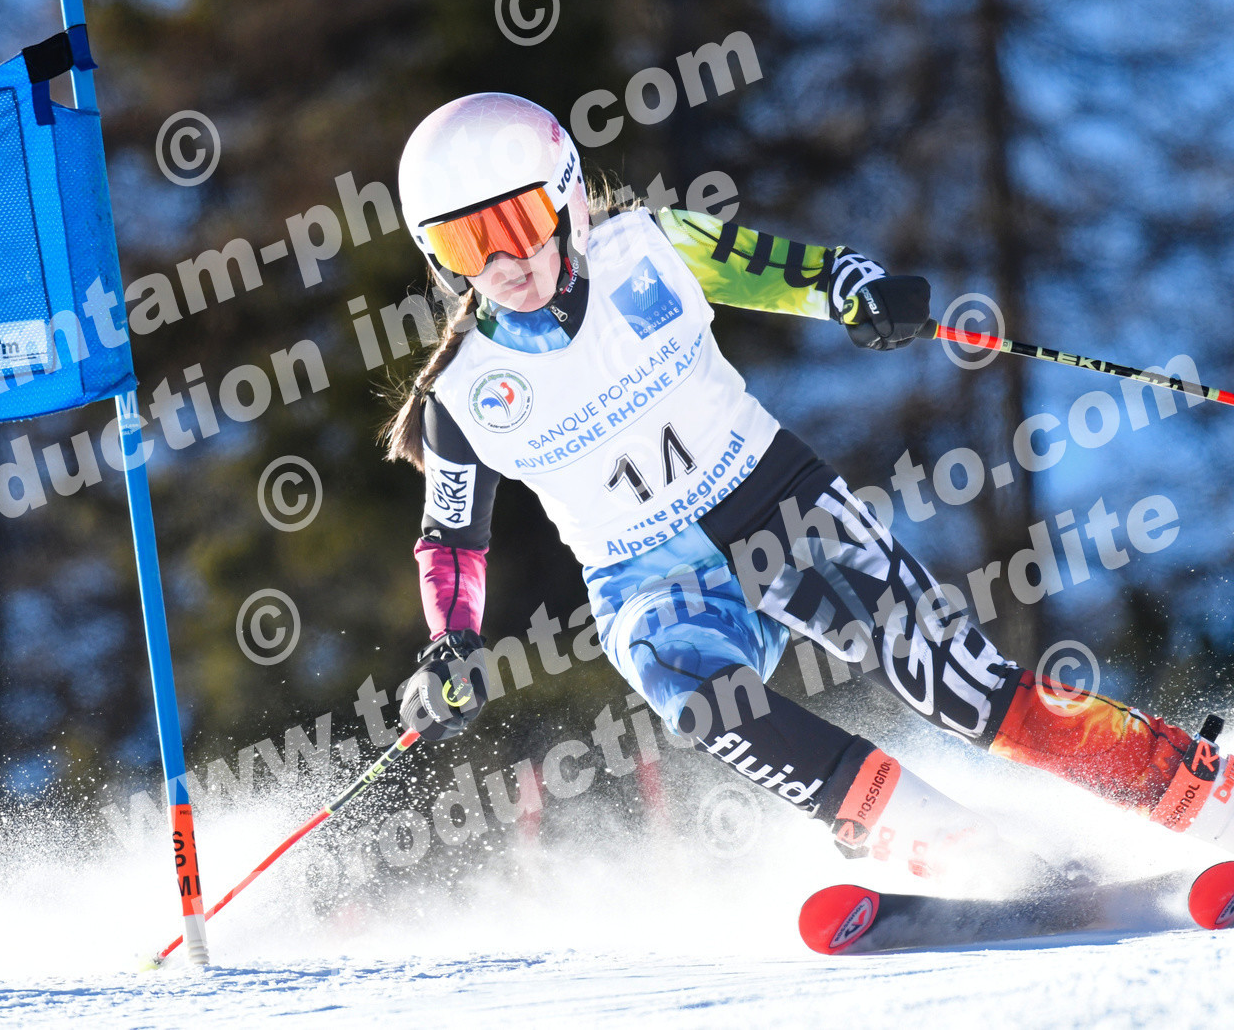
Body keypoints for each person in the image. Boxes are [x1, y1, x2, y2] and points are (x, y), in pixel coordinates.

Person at [382, 91, 1234, 884]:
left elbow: (804, 271)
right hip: (647, 581)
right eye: (466, 245)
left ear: (566, 195)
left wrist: (859, 294)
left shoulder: (651, 247)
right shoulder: (462, 394)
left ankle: (1193, 789)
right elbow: (452, 538)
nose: (504, 260)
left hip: (777, 507)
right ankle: (950, 847)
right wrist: (450, 643)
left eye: (517, 222)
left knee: (958, 684)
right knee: (690, 687)